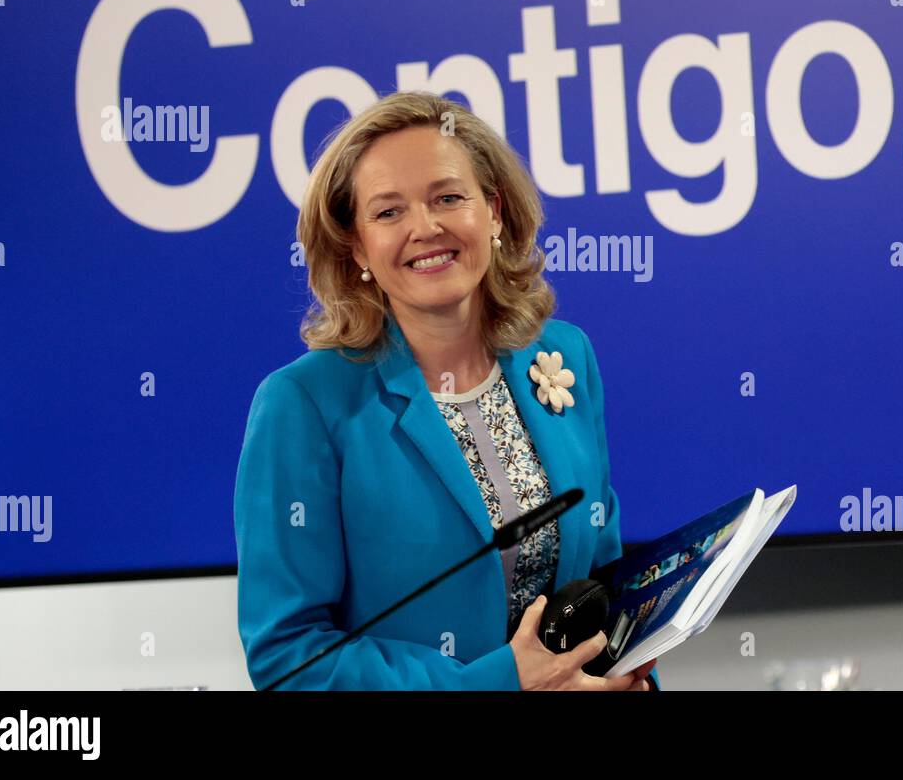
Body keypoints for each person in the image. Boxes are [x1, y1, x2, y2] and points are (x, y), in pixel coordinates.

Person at [234, 90, 660, 691]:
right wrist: (500, 683)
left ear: (493, 212)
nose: (424, 228)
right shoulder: (303, 405)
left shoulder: (565, 356)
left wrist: (627, 674)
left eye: (448, 197)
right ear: (356, 245)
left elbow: (602, 577)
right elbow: (288, 659)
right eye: (387, 213)